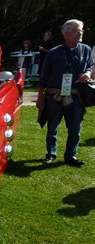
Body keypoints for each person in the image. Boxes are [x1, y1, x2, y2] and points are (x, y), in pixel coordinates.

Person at [36, 19, 93, 166]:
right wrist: (40, 98)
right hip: (54, 96)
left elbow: (90, 66)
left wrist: (87, 72)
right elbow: (43, 78)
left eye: (81, 30)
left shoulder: (86, 49)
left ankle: (70, 156)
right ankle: (51, 154)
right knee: (52, 127)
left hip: (75, 96)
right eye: (76, 30)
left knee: (75, 128)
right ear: (66, 34)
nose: (80, 33)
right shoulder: (53, 53)